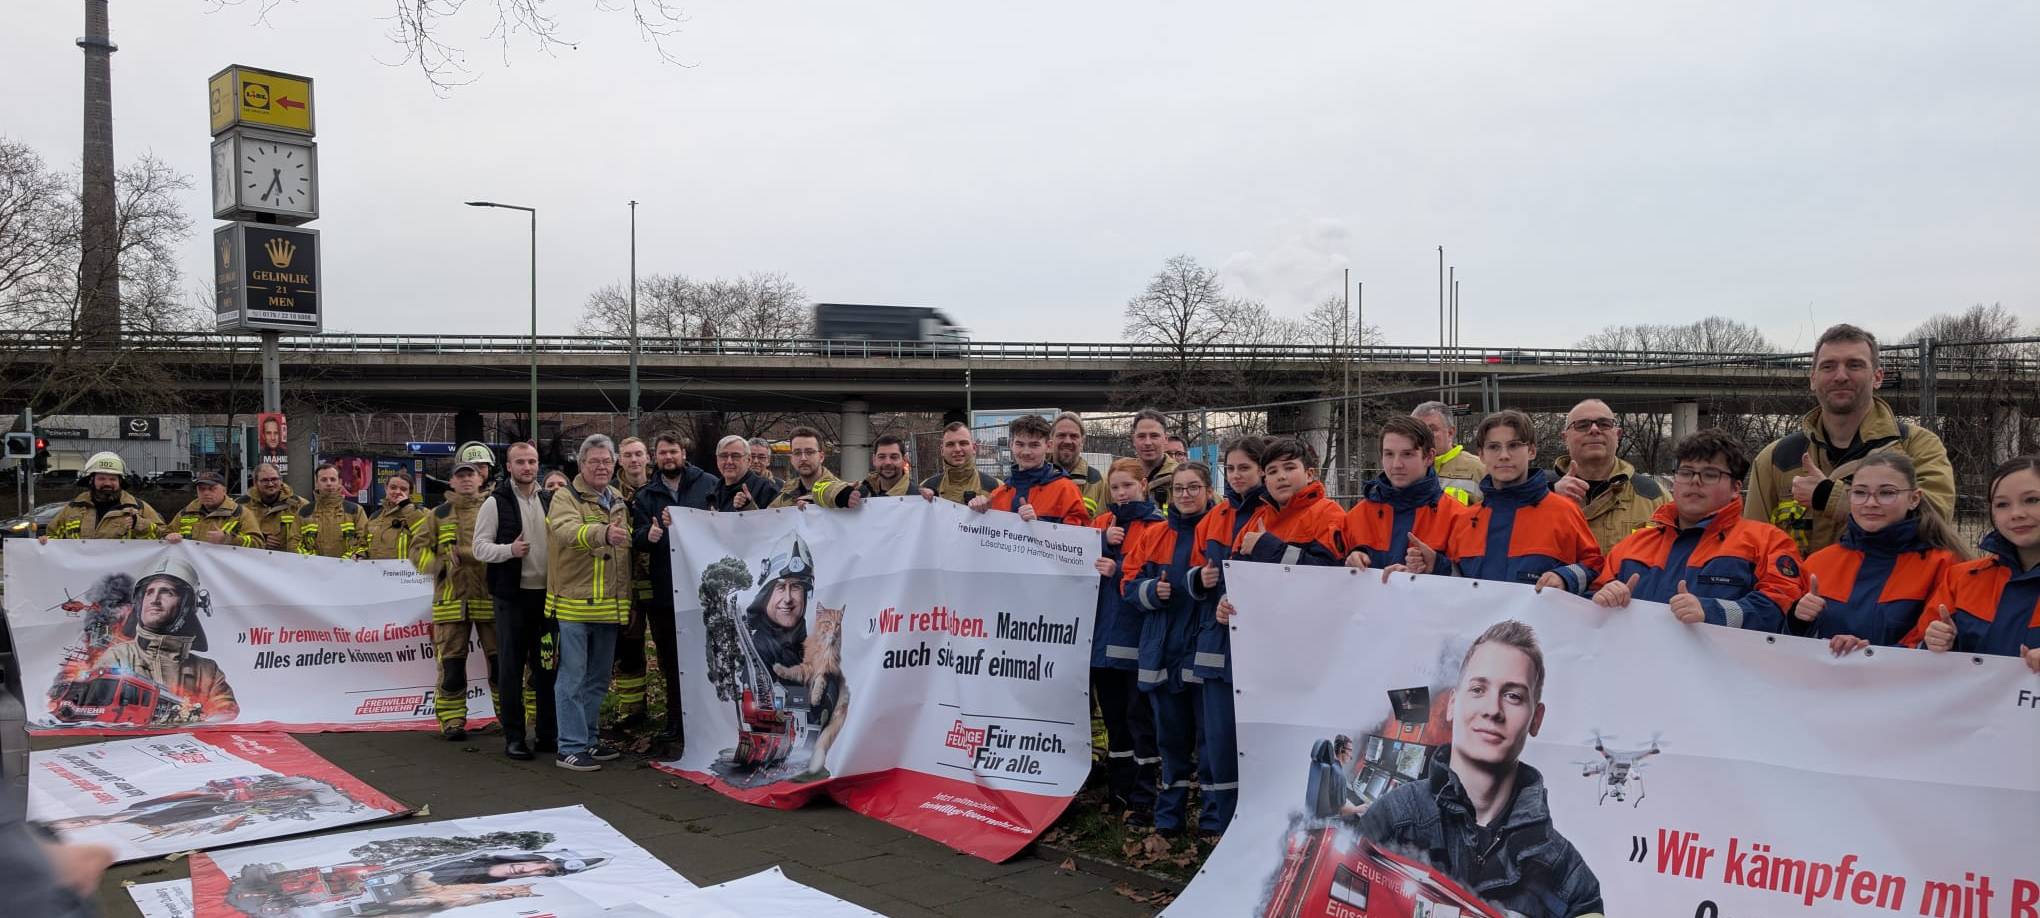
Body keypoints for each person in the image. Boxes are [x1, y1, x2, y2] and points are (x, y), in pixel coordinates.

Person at [1358, 621, 1603, 916]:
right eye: (1478, 689)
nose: (1493, 710)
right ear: (1452, 704)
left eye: (1513, 696)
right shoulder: (1392, 820)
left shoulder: (1570, 878)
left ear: (1536, 719)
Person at [1747, 323, 1955, 556]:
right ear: (1813, 378)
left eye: (1854, 365)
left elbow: (1935, 523)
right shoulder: (1776, 459)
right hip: (1798, 592)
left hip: (1889, 590)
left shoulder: (1916, 447)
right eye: (1828, 366)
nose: (1841, 376)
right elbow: (1753, 548)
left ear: (1877, 377)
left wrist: (1830, 498)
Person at [1589, 430, 1806, 632]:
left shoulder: (1767, 541)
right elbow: (1589, 602)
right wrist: (1602, 597)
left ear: (1735, 488)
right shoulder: (1633, 543)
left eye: (1710, 474)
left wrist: (1712, 613)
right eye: (1686, 472)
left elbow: (1782, 605)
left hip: (1722, 671)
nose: (1695, 481)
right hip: (1637, 669)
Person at [1400, 411, 1602, 594]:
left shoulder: (1563, 512)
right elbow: (1459, 582)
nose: (1504, 456)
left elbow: (1594, 566)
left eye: (1514, 445)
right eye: (1494, 447)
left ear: (1531, 451)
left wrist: (1565, 578)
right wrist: (1435, 565)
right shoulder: (1465, 520)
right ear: (1481, 455)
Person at [1793, 453, 1969, 655]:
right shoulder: (1819, 562)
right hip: (1825, 683)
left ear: (1914, 499)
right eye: (1860, 492)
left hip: (1901, 684)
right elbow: (1785, 647)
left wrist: (1865, 655)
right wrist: (1798, 620)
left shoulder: (1944, 565)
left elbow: (1935, 643)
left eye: (1886, 493)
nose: (1871, 503)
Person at [1121, 463, 1214, 838]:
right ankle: (1169, 820)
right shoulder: (1155, 534)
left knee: (1210, 745)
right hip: (1161, 650)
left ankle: (1212, 822)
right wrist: (1150, 593)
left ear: (1209, 490)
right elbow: (1128, 583)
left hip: (1201, 649)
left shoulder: (1217, 532)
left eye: (1194, 488)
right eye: (1179, 488)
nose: (1186, 495)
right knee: (1170, 742)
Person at [1182, 435, 1269, 836]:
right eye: (1230, 468)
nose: (1236, 476)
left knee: (1254, 741)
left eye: (1244, 468)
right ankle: (1219, 824)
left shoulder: (1272, 514)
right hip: (1216, 645)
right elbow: (1193, 576)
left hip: (1260, 650)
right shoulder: (1213, 520)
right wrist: (1200, 580)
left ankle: (1251, 825)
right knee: (1216, 741)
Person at [546, 434, 634, 770]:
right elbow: (566, 532)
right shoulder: (565, 497)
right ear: (581, 464)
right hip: (574, 605)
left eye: (607, 461)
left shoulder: (618, 498)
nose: (601, 466)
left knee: (598, 679)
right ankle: (569, 746)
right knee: (572, 678)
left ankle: (590, 740)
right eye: (594, 461)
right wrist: (601, 533)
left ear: (614, 464)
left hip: (608, 607)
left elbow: (624, 553)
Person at [1088, 458, 1166, 826]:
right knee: (1116, 721)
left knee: (1140, 721)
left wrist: (1117, 565)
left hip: (1135, 640)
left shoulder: (1157, 527)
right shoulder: (1101, 524)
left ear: (1144, 486)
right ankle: (1119, 793)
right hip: (1101, 640)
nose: (1121, 494)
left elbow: (1150, 576)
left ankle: (1144, 798)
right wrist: (1101, 542)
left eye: (1127, 486)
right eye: (1115, 487)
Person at [627, 431, 718, 747]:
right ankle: (675, 720)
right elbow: (636, 536)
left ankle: (709, 719)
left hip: (704, 590)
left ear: (684, 452)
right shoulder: (646, 495)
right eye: (663, 453)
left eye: (673, 452)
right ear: (656, 457)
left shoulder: (708, 484)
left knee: (707, 657)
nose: (669, 458)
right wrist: (649, 535)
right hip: (666, 591)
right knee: (671, 660)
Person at [1908, 456, 2040, 673]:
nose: (2016, 514)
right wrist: (1936, 642)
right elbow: (1918, 654)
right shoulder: (1962, 578)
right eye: (2002, 504)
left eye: (2032, 500)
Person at [472, 442, 555, 760]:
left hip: (547, 598)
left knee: (547, 668)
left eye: (532, 461)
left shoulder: (549, 499)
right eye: (520, 462)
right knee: (510, 670)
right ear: (508, 466)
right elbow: (480, 548)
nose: (527, 467)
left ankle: (548, 735)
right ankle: (515, 737)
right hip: (513, 598)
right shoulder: (495, 502)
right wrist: (509, 551)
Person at [89, 556, 240, 723]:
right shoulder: (116, 657)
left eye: (167, 592)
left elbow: (226, 715)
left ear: (187, 605)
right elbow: (100, 713)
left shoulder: (208, 672)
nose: (155, 600)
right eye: (149, 592)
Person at [412, 456, 497, 741]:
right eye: (460, 476)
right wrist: (439, 564)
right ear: (451, 482)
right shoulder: (436, 515)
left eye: (470, 475)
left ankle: (507, 717)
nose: (466, 480)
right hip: (450, 602)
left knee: (500, 666)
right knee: (451, 668)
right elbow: (417, 552)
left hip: (490, 599)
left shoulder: (493, 509)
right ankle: (452, 721)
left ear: (480, 479)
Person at [1342, 417, 1474, 572]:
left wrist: (1436, 565)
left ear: (1429, 457)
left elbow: (1475, 583)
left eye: (1407, 454)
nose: (1397, 464)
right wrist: (1351, 559)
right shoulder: (1356, 517)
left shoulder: (1457, 518)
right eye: (1389, 454)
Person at [1549, 399, 1668, 555]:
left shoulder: (1655, 498)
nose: (1594, 429)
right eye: (1582, 425)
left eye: (1604, 424)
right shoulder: (1540, 493)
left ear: (1617, 435)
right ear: (1565, 438)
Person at [971, 414, 1091, 525]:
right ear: (1011, 444)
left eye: (1034, 445)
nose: (1026, 452)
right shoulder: (998, 495)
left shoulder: (1066, 490)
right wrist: (977, 512)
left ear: (1048, 446)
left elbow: (1080, 539)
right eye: (1020, 444)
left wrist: (1038, 525)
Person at [610, 436, 656, 726]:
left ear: (648, 458)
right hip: (626, 583)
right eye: (628, 455)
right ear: (620, 459)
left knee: (666, 649)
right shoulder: (611, 495)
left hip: (660, 581)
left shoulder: (660, 489)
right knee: (630, 647)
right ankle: (632, 710)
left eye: (639, 454)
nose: (634, 460)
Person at [44, 451, 163, 540]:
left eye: (113, 479)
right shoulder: (73, 508)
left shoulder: (138, 508)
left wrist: (140, 525)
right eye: (101, 478)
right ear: (91, 480)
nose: (107, 483)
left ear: (120, 482)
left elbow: (162, 537)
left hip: (123, 573)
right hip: (81, 572)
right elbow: (53, 536)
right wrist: (45, 542)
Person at [166, 470, 262, 547]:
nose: (206, 493)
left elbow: (258, 544)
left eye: (212, 488)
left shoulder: (240, 513)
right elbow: (166, 533)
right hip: (192, 568)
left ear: (224, 490)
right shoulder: (186, 512)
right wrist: (169, 536)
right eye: (201, 489)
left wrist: (229, 539)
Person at [1414, 401, 1484, 505]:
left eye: (1432, 429)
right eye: (1417, 430)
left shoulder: (1478, 468)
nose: (1423, 436)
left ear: (1450, 433)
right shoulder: (1405, 467)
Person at [767, 427, 856, 509]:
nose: (803, 458)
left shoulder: (841, 493)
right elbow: (764, 522)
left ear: (821, 457)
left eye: (809, 452)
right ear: (791, 459)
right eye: (797, 453)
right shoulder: (785, 496)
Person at [919, 421, 1000, 504]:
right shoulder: (925, 489)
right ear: (942, 450)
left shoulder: (996, 487)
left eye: (963, 443)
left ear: (974, 448)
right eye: (950, 444)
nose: (957, 449)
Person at [301, 462, 370, 559]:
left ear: (339, 482)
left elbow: (364, 540)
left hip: (347, 570)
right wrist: (314, 563)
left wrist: (354, 557)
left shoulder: (355, 510)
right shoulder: (303, 512)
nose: (329, 483)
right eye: (324, 480)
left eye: (333, 479)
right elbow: (294, 543)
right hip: (313, 571)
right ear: (316, 483)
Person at [1051, 412, 1108, 517]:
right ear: (1051, 440)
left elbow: (1103, 525)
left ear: (1082, 441)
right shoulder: (1036, 477)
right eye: (1061, 435)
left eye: (1074, 436)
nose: (1067, 441)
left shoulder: (1097, 481)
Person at [244, 462, 308, 553]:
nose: (270, 484)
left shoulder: (300, 505)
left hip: (288, 563)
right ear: (255, 482)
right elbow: (233, 537)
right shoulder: (242, 506)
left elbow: (311, 537)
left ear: (281, 480)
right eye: (265, 480)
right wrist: (261, 540)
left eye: (274, 479)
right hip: (252, 563)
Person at [712, 434, 782, 511]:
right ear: (717, 459)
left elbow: (778, 521)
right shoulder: (711, 490)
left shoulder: (767, 490)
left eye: (736, 456)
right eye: (724, 456)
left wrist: (749, 507)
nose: (729, 461)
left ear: (748, 460)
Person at [366, 473, 426, 561]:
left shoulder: (423, 513)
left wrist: (407, 507)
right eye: (393, 487)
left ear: (410, 492)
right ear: (386, 489)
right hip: (376, 573)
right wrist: (360, 554)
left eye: (403, 489)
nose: (397, 492)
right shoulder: (374, 517)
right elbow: (362, 543)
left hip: (407, 573)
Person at [1129, 408, 1178, 507]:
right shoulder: (1120, 478)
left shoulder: (1182, 476)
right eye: (1141, 436)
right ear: (1133, 440)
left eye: (1154, 436)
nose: (1147, 442)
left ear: (1165, 439)